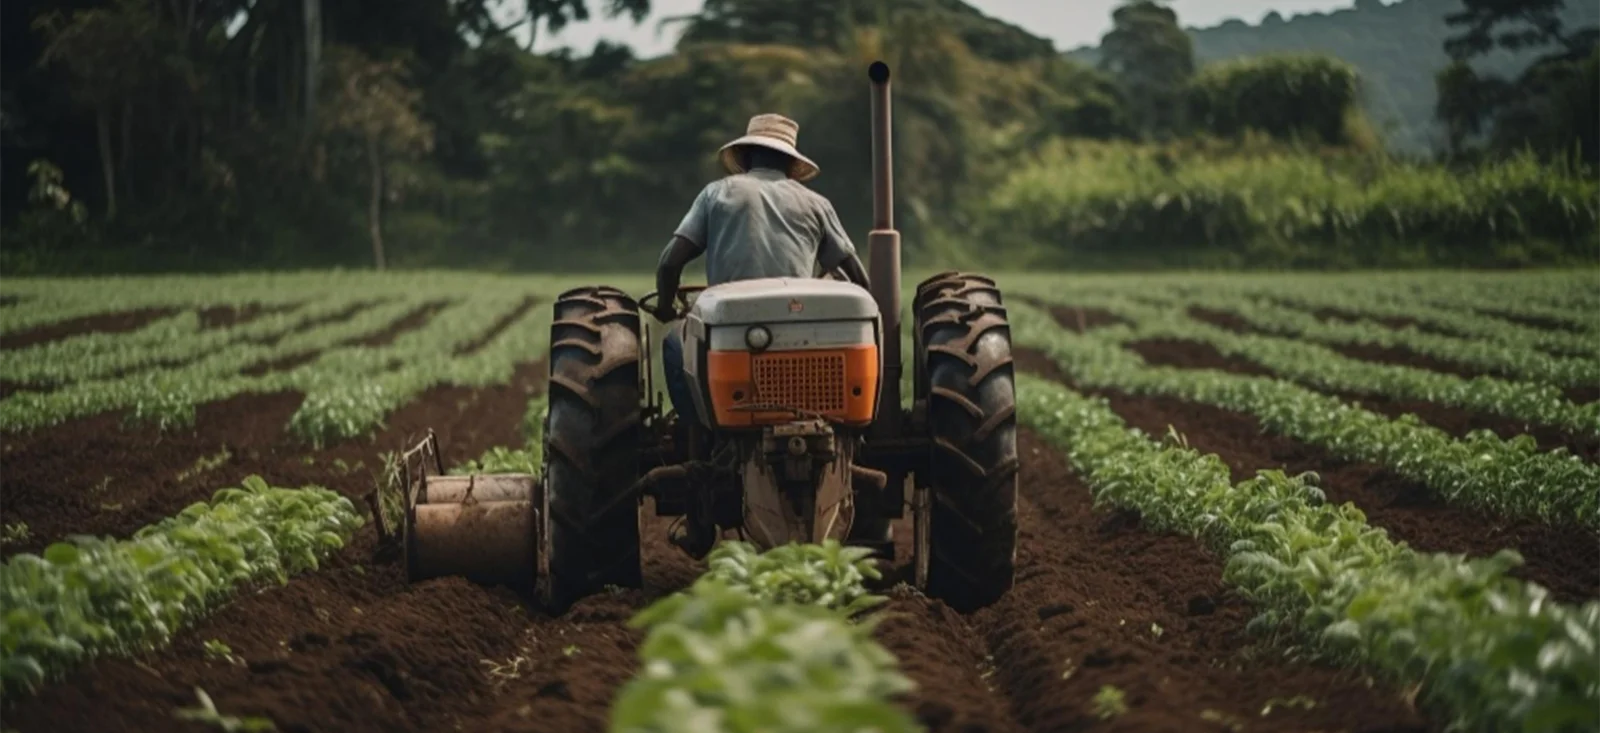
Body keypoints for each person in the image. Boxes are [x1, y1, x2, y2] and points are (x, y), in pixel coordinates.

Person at [650, 113, 871, 426]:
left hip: (730, 324)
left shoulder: (717, 193)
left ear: (745, 156)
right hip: (802, 326)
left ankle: (699, 433)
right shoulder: (816, 203)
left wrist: (664, 307)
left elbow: (669, 263)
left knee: (675, 345)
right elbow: (860, 280)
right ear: (791, 164)